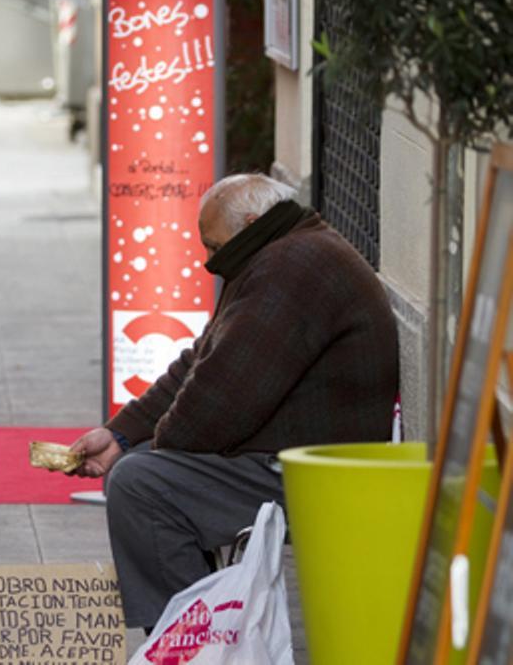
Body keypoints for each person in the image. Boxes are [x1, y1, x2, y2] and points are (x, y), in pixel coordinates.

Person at [69, 173, 398, 631]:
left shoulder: (291, 268)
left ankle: (193, 642)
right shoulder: (282, 250)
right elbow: (201, 359)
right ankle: (196, 634)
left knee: (141, 485)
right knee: (142, 466)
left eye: (213, 246)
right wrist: (121, 433)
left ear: (249, 222)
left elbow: (218, 406)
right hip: (296, 456)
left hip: (314, 476)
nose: (209, 261)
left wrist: (156, 448)